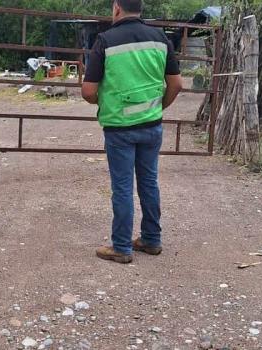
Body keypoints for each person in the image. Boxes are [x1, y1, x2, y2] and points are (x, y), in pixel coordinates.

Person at [81, 0, 183, 263]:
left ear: (116, 8)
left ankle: (122, 248)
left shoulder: (105, 40)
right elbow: (176, 84)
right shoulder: (161, 39)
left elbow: (88, 91)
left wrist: (104, 101)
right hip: (152, 126)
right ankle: (151, 239)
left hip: (119, 129)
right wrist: (158, 107)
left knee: (123, 188)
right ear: (140, 9)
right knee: (149, 183)